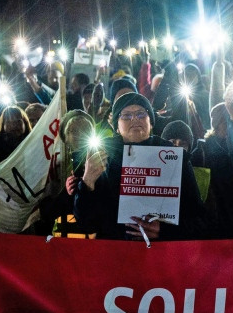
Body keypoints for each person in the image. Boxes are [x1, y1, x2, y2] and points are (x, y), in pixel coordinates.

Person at [72, 93, 206, 240]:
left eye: (141, 114)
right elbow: (85, 224)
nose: (135, 119)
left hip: (159, 254)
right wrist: (87, 182)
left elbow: (198, 221)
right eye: (126, 116)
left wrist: (165, 231)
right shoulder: (101, 158)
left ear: (151, 122)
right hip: (114, 253)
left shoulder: (173, 157)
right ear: (116, 126)